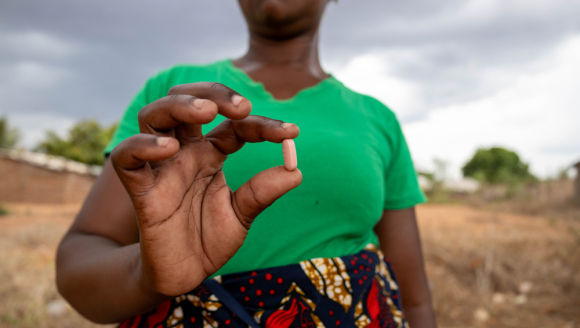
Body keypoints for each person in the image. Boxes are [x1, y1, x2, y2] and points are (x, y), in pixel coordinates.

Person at [56, 1, 436, 327]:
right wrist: (148, 274)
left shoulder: (376, 119)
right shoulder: (175, 96)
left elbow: (414, 299)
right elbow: (80, 260)